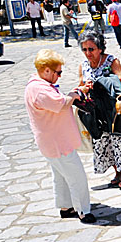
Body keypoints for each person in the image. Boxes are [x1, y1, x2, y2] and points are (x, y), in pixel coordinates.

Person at [25, 49, 95, 223]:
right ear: (46, 70)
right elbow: (61, 104)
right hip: (58, 142)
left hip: (51, 142)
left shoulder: (37, 86)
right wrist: (75, 94)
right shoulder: (40, 89)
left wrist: (74, 93)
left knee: (61, 175)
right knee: (76, 176)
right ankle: (83, 211)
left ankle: (65, 206)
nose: (60, 76)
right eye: (58, 72)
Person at [78, 31, 121, 189]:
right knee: (104, 142)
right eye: (84, 50)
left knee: (120, 140)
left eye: (91, 49)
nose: (88, 53)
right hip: (97, 111)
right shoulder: (83, 66)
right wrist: (84, 88)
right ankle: (117, 171)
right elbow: (80, 85)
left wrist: (104, 82)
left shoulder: (111, 61)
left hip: (113, 108)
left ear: (100, 48)